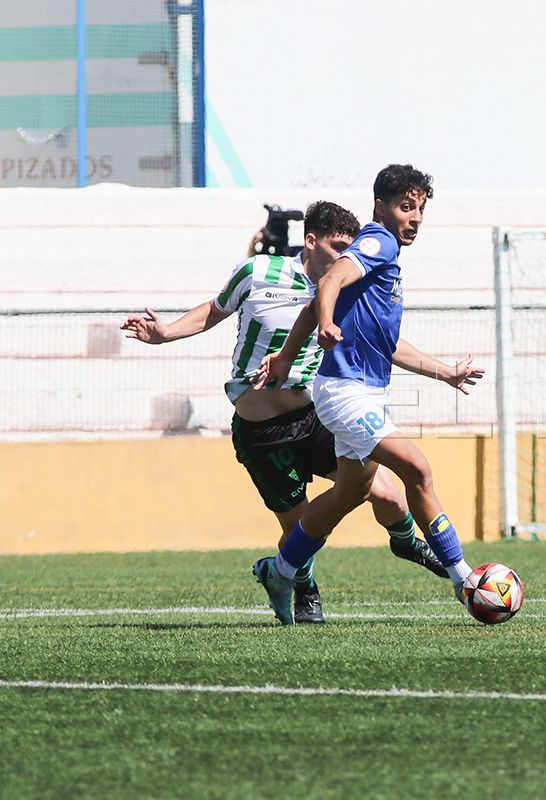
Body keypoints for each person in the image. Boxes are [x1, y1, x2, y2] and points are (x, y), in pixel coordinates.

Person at [120, 201, 447, 625]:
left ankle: (405, 543)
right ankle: (303, 590)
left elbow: (387, 341)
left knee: (385, 491)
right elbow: (215, 309)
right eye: (337, 246)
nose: (347, 254)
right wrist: (165, 333)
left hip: (315, 416)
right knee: (301, 529)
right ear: (311, 241)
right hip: (261, 430)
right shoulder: (257, 272)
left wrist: (444, 371)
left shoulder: (347, 285)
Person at [252, 164, 485, 625]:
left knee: (349, 493)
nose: (415, 217)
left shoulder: (383, 260)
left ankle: (280, 570)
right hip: (345, 394)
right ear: (380, 205)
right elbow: (329, 281)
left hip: (368, 393)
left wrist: (446, 373)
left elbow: (385, 341)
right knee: (418, 469)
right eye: (406, 206)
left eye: (420, 208)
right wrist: (323, 323)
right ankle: (464, 580)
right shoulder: (379, 242)